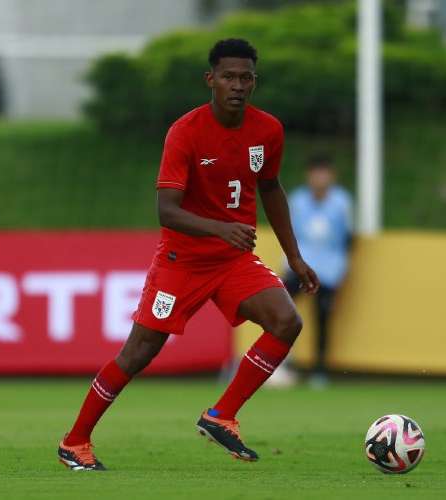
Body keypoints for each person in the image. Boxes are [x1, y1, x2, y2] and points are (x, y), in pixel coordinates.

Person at [57, 38, 319, 471]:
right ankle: (75, 441)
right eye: (229, 77)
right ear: (210, 80)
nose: (237, 85)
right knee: (139, 352)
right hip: (183, 262)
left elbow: (270, 188)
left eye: (246, 78)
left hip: (232, 261)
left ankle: (221, 415)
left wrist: (294, 256)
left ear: (255, 82)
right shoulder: (186, 132)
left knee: (287, 321)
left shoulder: (268, 130)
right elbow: (167, 210)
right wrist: (222, 228)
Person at [280, 156, 353, 388]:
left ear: (331, 176)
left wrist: (342, 267)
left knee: (322, 319)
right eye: (315, 173)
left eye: (324, 173)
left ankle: (319, 370)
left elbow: (350, 238)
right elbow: (289, 234)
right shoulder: (298, 200)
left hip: (329, 270)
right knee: (281, 309)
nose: (319, 178)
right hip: (301, 267)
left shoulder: (342, 202)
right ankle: (282, 363)